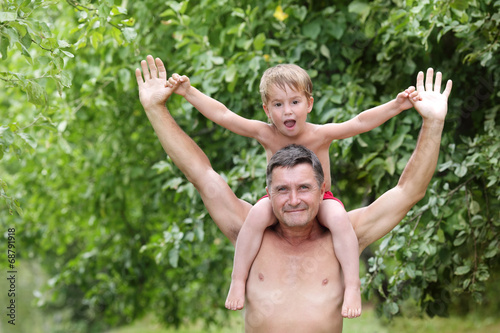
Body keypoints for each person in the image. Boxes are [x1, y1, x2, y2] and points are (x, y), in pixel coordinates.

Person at [135, 55, 452, 332]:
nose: (294, 199)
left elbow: (409, 190)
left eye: (304, 187)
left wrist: (433, 122)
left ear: (321, 188)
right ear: (268, 192)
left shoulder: (345, 234)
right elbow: (201, 173)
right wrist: (155, 108)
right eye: (282, 189)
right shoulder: (251, 231)